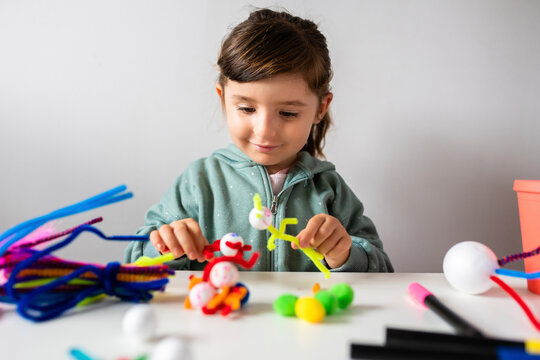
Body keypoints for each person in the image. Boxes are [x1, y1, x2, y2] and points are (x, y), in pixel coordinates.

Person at [124, 8, 393, 273]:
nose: (264, 131)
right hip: (220, 314)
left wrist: (344, 255)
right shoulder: (198, 183)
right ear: (223, 98)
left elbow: (382, 270)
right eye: (247, 109)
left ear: (320, 109)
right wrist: (163, 247)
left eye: (287, 113)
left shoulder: (328, 188)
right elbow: (133, 261)